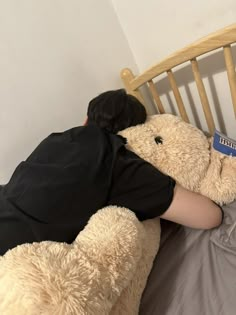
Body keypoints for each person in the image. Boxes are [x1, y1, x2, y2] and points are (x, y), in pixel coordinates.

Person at [0, 89, 223, 255]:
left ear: (86, 119)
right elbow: (209, 217)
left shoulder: (55, 139)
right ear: (134, 132)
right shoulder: (116, 159)